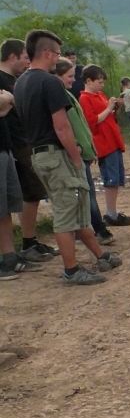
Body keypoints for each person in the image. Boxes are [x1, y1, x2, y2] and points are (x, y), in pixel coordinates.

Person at [12, 29, 121, 285]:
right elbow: (61, 126)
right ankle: (71, 270)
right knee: (65, 214)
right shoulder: (50, 83)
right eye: (58, 53)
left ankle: (100, 255)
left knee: (74, 206)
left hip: (38, 154)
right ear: (47, 53)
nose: (60, 58)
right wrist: (75, 156)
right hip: (56, 155)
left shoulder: (22, 82)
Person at [0, 38, 59, 263]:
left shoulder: (16, 80)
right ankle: (27, 242)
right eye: (25, 57)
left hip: (21, 141)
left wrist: (10, 102)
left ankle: (30, 240)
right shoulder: (2, 78)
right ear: (12, 56)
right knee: (31, 192)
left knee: (32, 193)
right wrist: (9, 101)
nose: (28, 61)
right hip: (14, 142)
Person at [53, 59, 115, 246]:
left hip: (81, 152)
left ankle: (84, 230)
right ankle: (99, 230)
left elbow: (81, 127)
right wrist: (78, 149)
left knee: (84, 194)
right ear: (57, 76)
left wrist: (89, 149)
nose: (74, 80)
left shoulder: (67, 95)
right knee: (86, 194)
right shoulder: (62, 98)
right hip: (74, 154)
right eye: (70, 76)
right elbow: (72, 127)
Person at [79, 65, 130, 228]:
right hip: (103, 143)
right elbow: (91, 122)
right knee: (110, 178)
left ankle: (112, 211)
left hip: (113, 141)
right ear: (89, 81)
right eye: (100, 82)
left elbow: (110, 118)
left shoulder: (99, 95)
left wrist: (116, 108)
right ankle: (110, 213)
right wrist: (109, 108)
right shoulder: (85, 99)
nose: (102, 85)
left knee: (116, 178)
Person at [0, 87, 42, 280]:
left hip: (5, 147)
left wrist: (6, 104)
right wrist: (8, 101)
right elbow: (6, 101)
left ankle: (10, 258)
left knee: (6, 207)